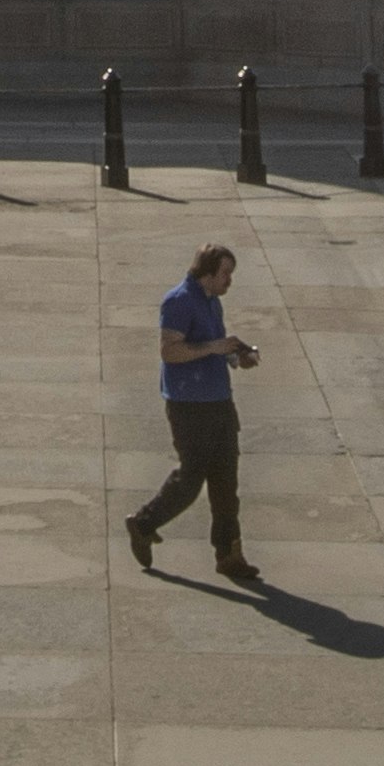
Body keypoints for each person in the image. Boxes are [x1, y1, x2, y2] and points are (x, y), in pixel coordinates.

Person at [123, 244, 267, 583]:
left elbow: (214, 346)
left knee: (225, 483)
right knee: (191, 478)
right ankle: (143, 523)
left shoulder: (212, 302)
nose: (229, 281)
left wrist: (237, 357)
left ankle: (230, 555)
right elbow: (170, 351)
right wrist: (216, 347)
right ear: (207, 273)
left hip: (218, 402)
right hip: (189, 406)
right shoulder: (178, 301)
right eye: (225, 274)